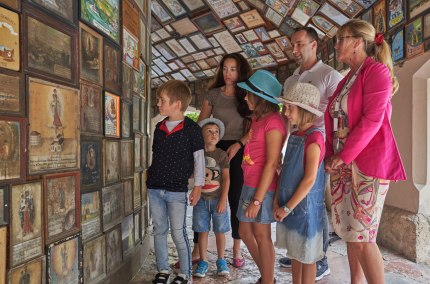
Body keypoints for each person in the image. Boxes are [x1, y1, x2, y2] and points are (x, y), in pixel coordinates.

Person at [325, 19, 406, 283]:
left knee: (362, 236)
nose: (336, 44)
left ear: (358, 42)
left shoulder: (377, 72)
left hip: (367, 165)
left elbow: (372, 121)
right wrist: (331, 153)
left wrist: (343, 155)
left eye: (341, 38)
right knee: (351, 233)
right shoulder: (348, 78)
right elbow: (334, 119)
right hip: (344, 165)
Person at [280, 27, 343, 281]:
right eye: (292, 45)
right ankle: (300, 248)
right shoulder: (291, 79)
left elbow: (339, 115)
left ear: (314, 44)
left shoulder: (330, 75)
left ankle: (320, 256)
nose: (294, 50)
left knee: (313, 205)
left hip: (319, 147)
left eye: (299, 44)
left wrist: (335, 153)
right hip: (296, 144)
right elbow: (287, 122)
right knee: (299, 202)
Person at [197, 52, 252, 268]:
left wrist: (238, 144)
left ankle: (236, 250)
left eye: (233, 69)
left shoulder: (247, 95)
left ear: (241, 71)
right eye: (225, 68)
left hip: (238, 148)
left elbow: (254, 127)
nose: (228, 73)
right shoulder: (213, 94)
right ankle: (197, 250)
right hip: (213, 147)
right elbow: (201, 122)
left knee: (235, 197)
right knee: (204, 195)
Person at [147, 80, 205, 284]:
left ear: (177, 104)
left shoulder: (192, 130)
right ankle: (162, 269)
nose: (158, 104)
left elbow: (199, 160)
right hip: (155, 188)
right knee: (159, 229)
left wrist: (198, 187)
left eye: (162, 101)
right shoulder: (158, 128)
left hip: (178, 191)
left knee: (179, 232)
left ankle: (185, 273)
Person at [236, 70, 287, 284]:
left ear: (261, 97)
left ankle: (267, 280)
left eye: (249, 94)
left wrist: (258, 199)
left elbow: (272, 162)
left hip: (262, 188)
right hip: (250, 183)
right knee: (245, 231)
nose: (246, 97)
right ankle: (268, 277)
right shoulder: (258, 119)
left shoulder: (274, 122)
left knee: (261, 234)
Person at [274, 82, 326, 284]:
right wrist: (277, 201)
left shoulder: (314, 138)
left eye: (290, 107)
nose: (285, 112)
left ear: (304, 110)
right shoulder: (296, 135)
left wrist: (287, 207)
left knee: (308, 256)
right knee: (295, 253)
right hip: (290, 205)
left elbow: (310, 179)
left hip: (304, 209)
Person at [192, 118, 230, 277]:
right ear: (201, 135)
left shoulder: (221, 154)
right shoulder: (196, 154)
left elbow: (227, 178)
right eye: (209, 131)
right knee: (202, 230)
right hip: (201, 200)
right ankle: (203, 261)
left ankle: (221, 260)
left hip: (217, 199)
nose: (214, 134)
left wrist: (223, 199)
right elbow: (193, 176)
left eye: (216, 132)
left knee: (220, 231)